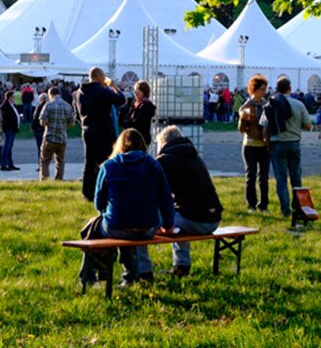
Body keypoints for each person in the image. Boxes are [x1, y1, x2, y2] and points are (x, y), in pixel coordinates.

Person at [80, 128, 174, 285]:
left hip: (117, 225)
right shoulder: (153, 165)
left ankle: (90, 275)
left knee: (95, 227)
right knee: (127, 224)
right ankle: (129, 275)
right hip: (147, 227)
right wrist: (168, 224)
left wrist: (106, 212)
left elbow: (99, 201)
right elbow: (165, 199)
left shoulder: (109, 166)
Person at [155, 126, 223, 277]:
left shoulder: (164, 160)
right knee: (178, 214)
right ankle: (181, 266)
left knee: (150, 221)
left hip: (196, 220)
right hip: (214, 218)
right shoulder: (194, 156)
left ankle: (142, 270)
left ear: (163, 142)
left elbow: (154, 191)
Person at [259, 76, 313, 217]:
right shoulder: (298, 104)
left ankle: (285, 210)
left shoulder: (270, 105)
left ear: (277, 89)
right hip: (294, 143)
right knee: (296, 177)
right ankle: (298, 207)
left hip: (277, 144)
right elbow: (308, 126)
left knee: (281, 179)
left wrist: (267, 144)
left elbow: (264, 129)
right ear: (290, 88)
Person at [74, 67, 127, 201]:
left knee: (89, 162)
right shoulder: (101, 91)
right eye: (103, 76)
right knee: (105, 162)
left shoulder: (78, 93)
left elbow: (76, 115)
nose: (105, 79)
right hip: (102, 130)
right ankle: (104, 191)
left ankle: (87, 192)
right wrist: (114, 86)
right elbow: (121, 100)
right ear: (98, 77)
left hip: (86, 130)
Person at [237, 74, 270, 211]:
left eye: (265, 89)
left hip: (264, 146)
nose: (264, 91)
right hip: (250, 145)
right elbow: (240, 129)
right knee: (250, 177)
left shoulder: (267, 105)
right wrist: (243, 120)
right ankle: (251, 205)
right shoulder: (246, 106)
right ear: (254, 89)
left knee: (264, 177)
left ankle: (263, 205)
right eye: (261, 89)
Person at [39, 86, 75, 181]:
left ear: (51, 94)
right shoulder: (67, 106)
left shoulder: (48, 105)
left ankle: (45, 180)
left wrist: (47, 123)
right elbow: (72, 124)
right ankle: (59, 180)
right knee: (60, 162)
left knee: (45, 161)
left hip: (50, 137)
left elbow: (42, 121)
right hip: (62, 138)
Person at [0, 90, 21, 171]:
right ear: (9, 97)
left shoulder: (11, 106)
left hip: (13, 129)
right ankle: (3, 164)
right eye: (13, 96)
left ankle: (10, 164)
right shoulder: (5, 107)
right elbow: (6, 119)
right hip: (9, 129)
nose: (14, 98)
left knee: (9, 147)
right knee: (6, 147)